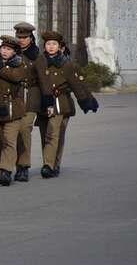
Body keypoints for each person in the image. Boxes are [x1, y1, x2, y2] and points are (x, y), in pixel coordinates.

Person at [36, 31, 99, 178]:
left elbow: (76, 84)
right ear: (44, 46)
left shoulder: (66, 64)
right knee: (46, 135)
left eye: (54, 44)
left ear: (59, 46)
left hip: (61, 103)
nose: (51, 47)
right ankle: (51, 163)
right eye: (48, 44)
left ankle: (50, 165)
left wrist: (86, 101)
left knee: (54, 134)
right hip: (44, 102)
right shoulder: (40, 61)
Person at [0, 35, 27, 186]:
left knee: (9, 140)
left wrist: (0, 69)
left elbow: (16, 77)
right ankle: (1, 171)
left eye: (9, 49)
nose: (5, 51)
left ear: (14, 52)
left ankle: (7, 170)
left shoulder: (19, 65)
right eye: (3, 48)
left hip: (12, 109)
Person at [13, 22, 54, 182]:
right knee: (14, 132)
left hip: (32, 95)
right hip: (15, 96)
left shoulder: (37, 55)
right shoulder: (12, 53)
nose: (22, 40)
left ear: (31, 38)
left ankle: (23, 167)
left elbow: (44, 80)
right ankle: (13, 165)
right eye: (19, 37)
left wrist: (48, 101)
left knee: (24, 128)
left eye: (25, 37)